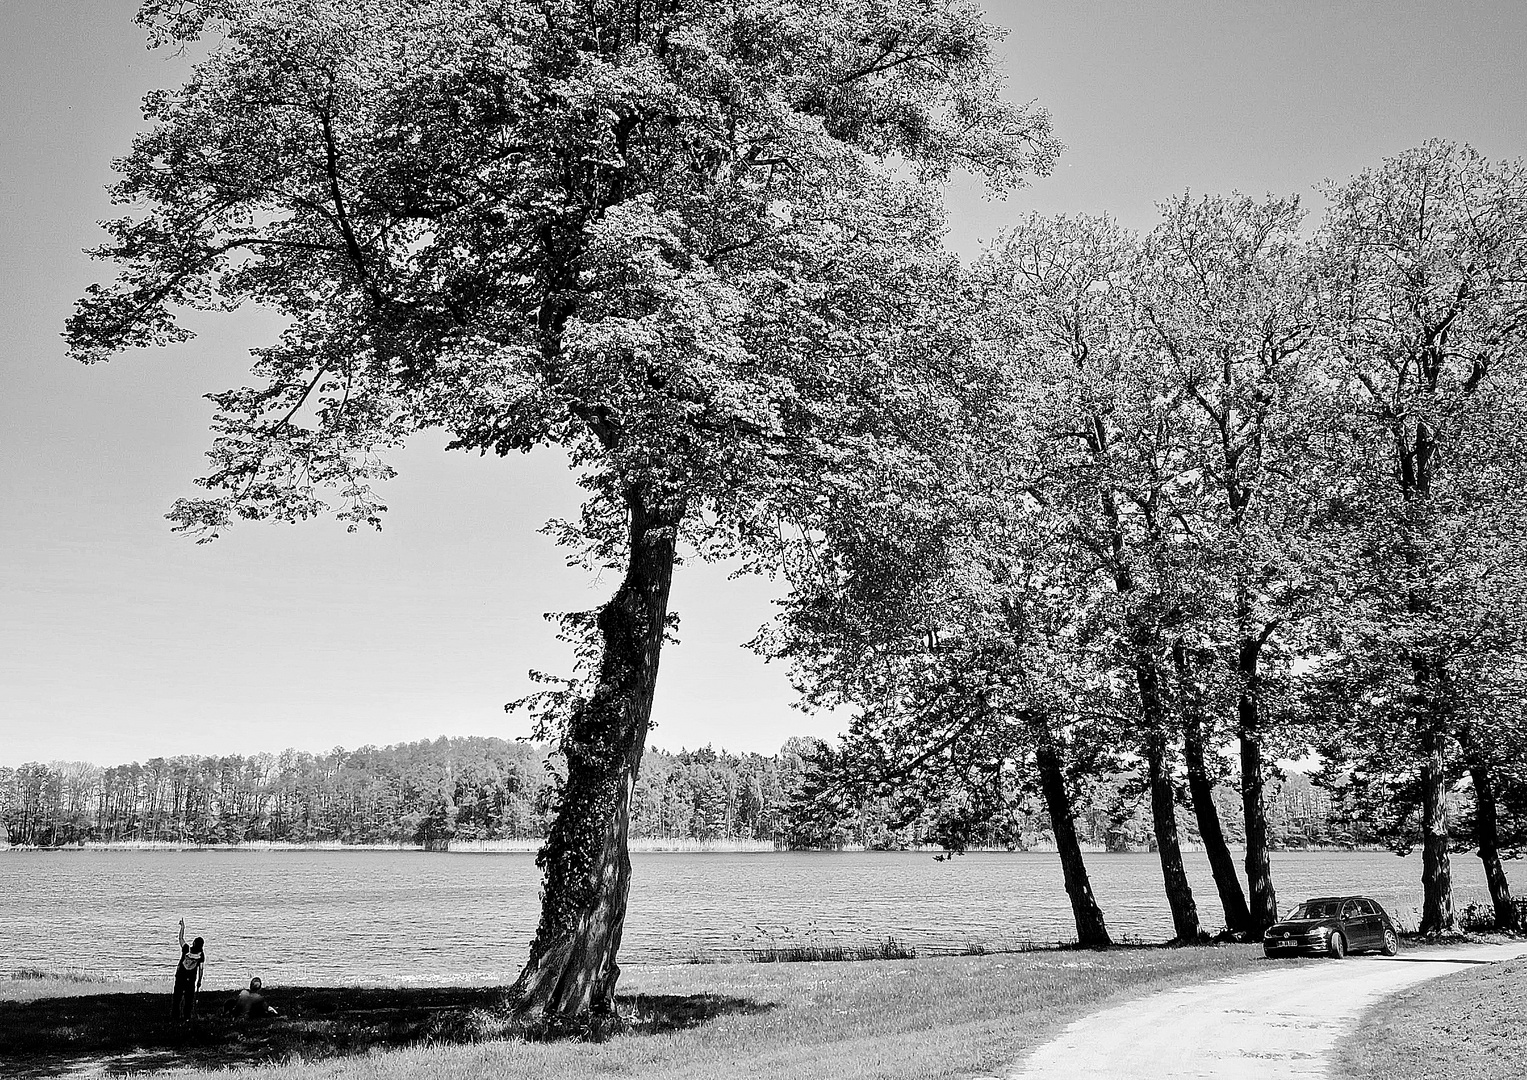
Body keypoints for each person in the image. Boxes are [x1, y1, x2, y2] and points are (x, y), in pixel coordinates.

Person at [172, 918, 205, 1022]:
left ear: (194, 943)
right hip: (191, 979)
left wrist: (182, 927)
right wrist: (199, 980)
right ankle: (187, 1017)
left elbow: (180, 938)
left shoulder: (186, 949)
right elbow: (201, 969)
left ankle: (175, 1016)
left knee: (177, 997)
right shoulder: (201, 955)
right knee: (189, 999)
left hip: (180, 975)